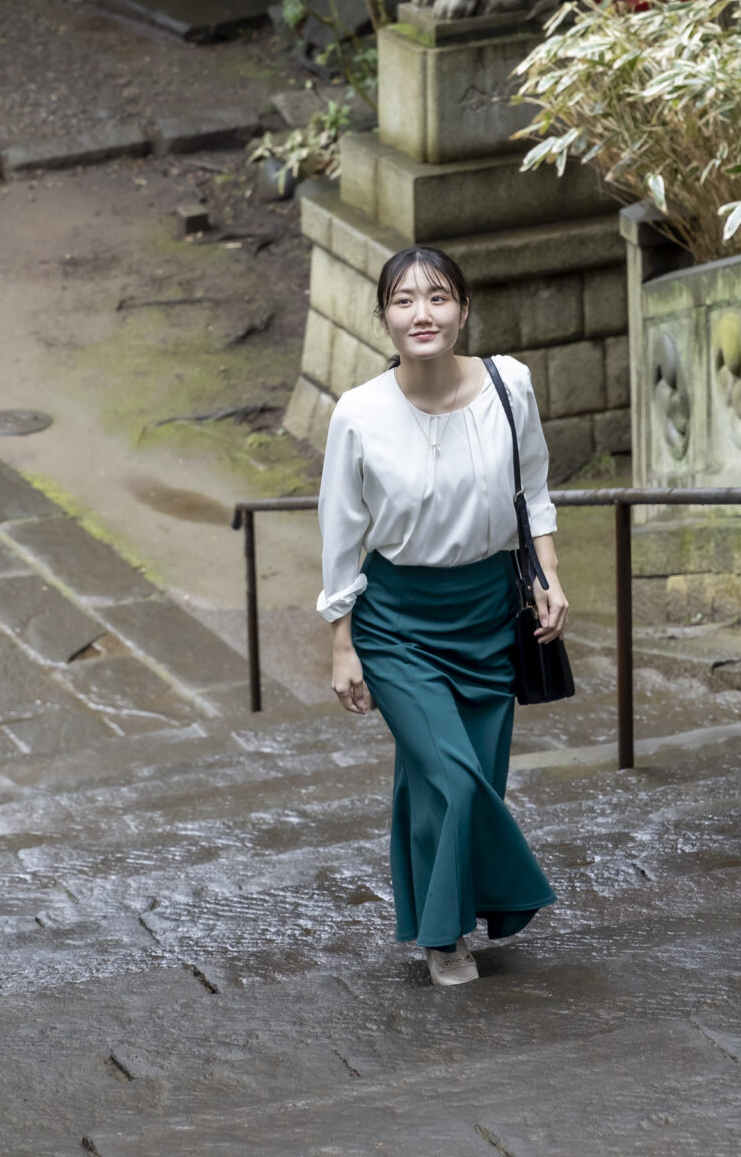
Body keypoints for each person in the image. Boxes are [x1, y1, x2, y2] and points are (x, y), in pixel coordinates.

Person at [317, 243, 567, 988]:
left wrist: (548, 577)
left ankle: (442, 926)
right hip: (397, 625)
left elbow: (535, 491)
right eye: (403, 300)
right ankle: (456, 928)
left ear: (463, 310)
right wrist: (342, 642)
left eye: (437, 298)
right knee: (455, 781)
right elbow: (340, 532)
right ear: (384, 318)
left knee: (449, 782)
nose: (420, 313)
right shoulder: (359, 414)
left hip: (491, 615)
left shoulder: (508, 384)